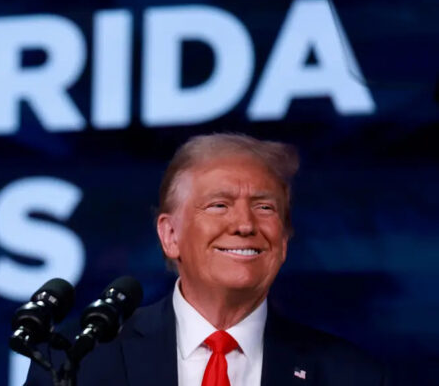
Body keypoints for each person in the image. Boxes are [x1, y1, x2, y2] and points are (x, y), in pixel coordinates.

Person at [25, 133, 389, 386]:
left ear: (284, 240)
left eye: (265, 207)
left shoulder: (350, 376)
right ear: (170, 235)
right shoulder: (81, 361)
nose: (245, 225)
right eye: (219, 205)